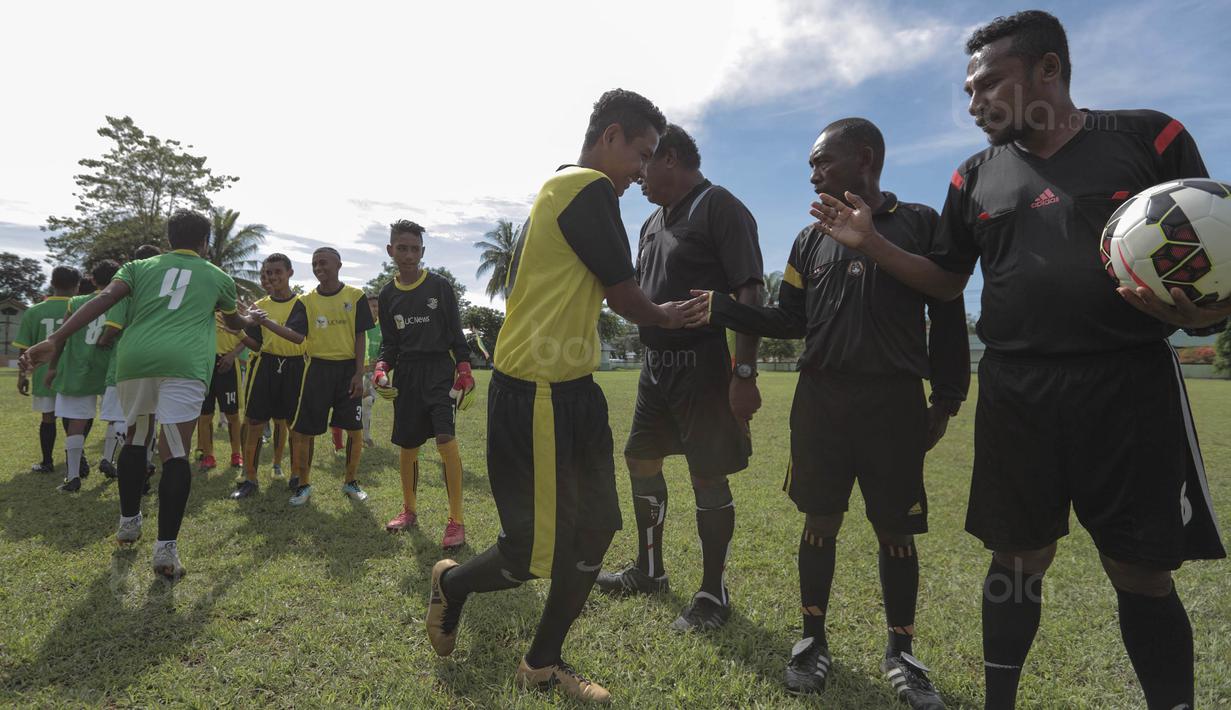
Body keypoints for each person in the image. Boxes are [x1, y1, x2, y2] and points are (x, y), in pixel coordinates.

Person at [809, 12, 1229, 709]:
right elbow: (946, 278)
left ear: (1048, 71)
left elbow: (1211, 257)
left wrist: (1207, 313)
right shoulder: (972, 174)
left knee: (1141, 571)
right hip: (1015, 392)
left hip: (1126, 385)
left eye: (988, 85)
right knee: (1014, 562)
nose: (973, 104)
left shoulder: (1149, 136)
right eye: (967, 91)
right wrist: (872, 244)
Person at [424, 88, 694, 704]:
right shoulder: (584, 188)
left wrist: (656, 311)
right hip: (538, 393)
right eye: (642, 154)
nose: (644, 171)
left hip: (573, 391)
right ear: (611, 137)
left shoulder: (563, 193)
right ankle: (454, 585)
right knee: (528, 554)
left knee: (598, 526)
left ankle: (542, 664)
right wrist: (671, 316)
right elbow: (628, 298)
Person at [687, 118, 969, 705]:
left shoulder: (919, 224)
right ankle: (812, 641)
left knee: (894, 528)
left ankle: (902, 653)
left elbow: (945, 311)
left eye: (822, 161)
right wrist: (724, 309)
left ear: (864, 157)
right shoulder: (808, 241)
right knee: (821, 521)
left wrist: (945, 399)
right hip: (821, 404)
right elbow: (790, 319)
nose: (812, 174)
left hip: (894, 404)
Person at [21, 210, 263, 579]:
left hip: (135, 362)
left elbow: (101, 300)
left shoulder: (138, 267)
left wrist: (57, 338)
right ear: (205, 242)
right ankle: (165, 550)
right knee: (175, 451)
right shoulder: (218, 277)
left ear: (169, 239)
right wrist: (251, 319)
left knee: (136, 437)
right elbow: (234, 323)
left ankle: (129, 521)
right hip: (183, 365)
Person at [594, 124, 764, 634]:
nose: (637, 173)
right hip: (655, 365)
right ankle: (650, 570)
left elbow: (750, 295)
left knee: (706, 473)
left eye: (646, 161)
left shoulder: (720, 207)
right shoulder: (651, 222)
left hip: (706, 364)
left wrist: (745, 372)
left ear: (670, 158)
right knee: (640, 459)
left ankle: (714, 592)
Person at [374, 220, 472, 549]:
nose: (409, 254)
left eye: (415, 248)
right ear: (391, 250)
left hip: (439, 372)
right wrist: (381, 368)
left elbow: (457, 335)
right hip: (408, 375)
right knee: (409, 446)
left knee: (446, 438)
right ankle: (409, 510)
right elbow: (389, 344)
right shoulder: (387, 294)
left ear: (423, 252)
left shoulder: (440, 287)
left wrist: (464, 369)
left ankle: (456, 521)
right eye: (402, 248)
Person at [287, 247, 373, 507]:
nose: (318, 267)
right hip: (317, 369)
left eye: (323, 262)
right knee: (304, 431)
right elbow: (296, 334)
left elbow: (360, 336)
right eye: (314, 263)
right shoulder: (305, 301)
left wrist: (359, 373)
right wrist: (265, 324)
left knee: (354, 430)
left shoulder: (355, 296)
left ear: (338, 264)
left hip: (348, 371)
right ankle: (303, 485)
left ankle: (351, 481)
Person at [233, 253, 308, 499]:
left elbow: (297, 337)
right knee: (254, 422)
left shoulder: (303, 304)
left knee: (294, 425)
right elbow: (255, 345)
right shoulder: (259, 306)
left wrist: (264, 321)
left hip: (296, 367)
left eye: (278, 271)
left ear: (290, 273)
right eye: (268, 273)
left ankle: (297, 476)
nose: (273, 277)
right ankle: (249, 478)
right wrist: (239, 333)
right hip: (265, 366)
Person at [46, 260, 120, 492]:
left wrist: (52, 366)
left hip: (79, 367)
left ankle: (73, 476)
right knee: (115, 417)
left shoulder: (76, 302)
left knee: (76, 423)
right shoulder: (123, 301)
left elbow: (61, 337)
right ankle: (108, 458)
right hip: (111, 367)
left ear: (94, 280)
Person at [14, 266, 79, 474]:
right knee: (73, 418)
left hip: (43, 375)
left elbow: (25, 348)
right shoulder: (81, 308)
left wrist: (23, 375)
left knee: (48, 417)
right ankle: (77, 462)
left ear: (52, 283)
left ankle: (47, 462)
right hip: (73, 373)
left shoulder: (35, 311)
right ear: (77, 286)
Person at [197, 312, 255, 471]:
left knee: (232, 414)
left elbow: (245, 339)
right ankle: (209, 456)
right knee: (205, 414)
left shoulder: (232, 313)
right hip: (205, 365)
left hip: (228, 365)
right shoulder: (202, 310)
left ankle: (236, 454)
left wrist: (232, 354)